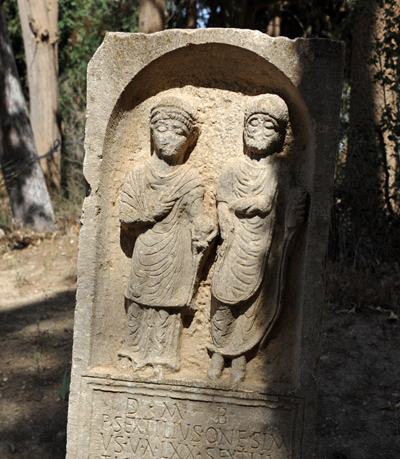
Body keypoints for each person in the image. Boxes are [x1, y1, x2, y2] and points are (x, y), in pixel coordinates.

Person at [208, 93, 307, 385]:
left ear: (279, 135)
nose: (258, 132)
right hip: (234, 244)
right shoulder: (233, 168)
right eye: (252, 125)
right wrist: (227, 218)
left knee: (252, 305)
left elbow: (288, 206)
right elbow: (222, 201)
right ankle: (217, 351)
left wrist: (294, 217)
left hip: (262, 249)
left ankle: (239, 357)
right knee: (223, 299)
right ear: (243, 129)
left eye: (268, 127)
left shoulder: (280, 171)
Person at [119, 96, 215, 371]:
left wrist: (205, 227)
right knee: (137, 300)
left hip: (176, 251)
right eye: (163, 129)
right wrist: (151, 213)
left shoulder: (190, 180)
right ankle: (132, 351)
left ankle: (162, 357)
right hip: (146, 247)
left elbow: (199, 217)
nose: (170, 138)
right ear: (151, 132)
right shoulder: (137, 175)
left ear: (189, 139)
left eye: (179, 132)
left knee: (166, 308)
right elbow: (126, 215)